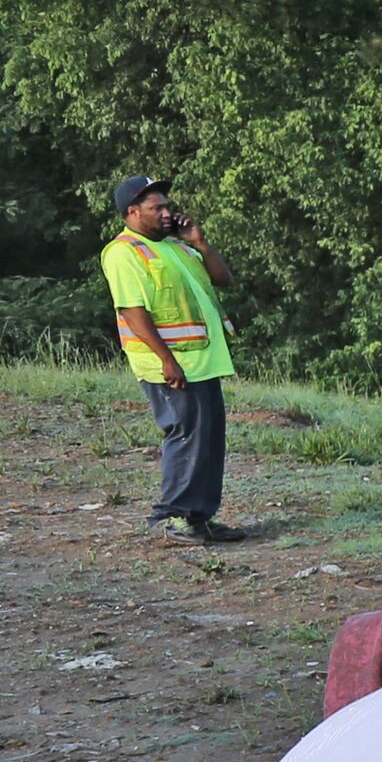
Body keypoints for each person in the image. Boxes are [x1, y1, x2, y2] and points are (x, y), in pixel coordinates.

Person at [100, 174, 248, 542]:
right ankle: (169, 517)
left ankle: (199, 518)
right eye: (157, 208)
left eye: (167, 206)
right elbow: (132, 311)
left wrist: (200, 242)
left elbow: (223, 279)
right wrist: (166, 360)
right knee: (184, 435)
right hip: (170, 365)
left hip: (202, 361)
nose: (167, 213)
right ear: (133, 212)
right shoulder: (123, 252)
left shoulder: (177, 247)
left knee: (208, 439)